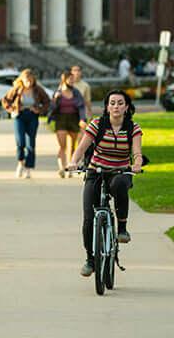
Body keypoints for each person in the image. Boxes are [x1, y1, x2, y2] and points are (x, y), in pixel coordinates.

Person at [68, 90, 143, 277]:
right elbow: (82, 148)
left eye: (120, 103)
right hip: (96, 171)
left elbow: (136, 151)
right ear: (107, 107)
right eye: (112, 103)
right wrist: (73, 161)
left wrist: (137, 164)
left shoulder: (133, 128)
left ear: (126, 107)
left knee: (119, 185)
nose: (116, 106)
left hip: (121, 171)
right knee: (88, 218)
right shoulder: (97, 124)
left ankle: (122, 229)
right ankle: (90, 259)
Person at [1, 68, 50, 179]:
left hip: (32, 116)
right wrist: (12, 109)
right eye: (26, 79)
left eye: (30, 79)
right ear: (22, 80)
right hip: (20, 116)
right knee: (20, 142)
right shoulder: (17, 89)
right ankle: (20, 164)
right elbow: (5, 100)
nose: (28, 81)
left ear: (33, 79)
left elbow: (47, 101)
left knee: (30, 144)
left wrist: (39, 110)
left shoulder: (37, 90)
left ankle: (28, 168)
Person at [47, 70, 87, 177]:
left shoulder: (76, 92)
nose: (72, 81)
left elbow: (82, 107)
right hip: (61, 120)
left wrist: (83, 119)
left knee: (73, 145)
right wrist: (55, 99)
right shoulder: (58, 92)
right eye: (70, 79)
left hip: (73, 119)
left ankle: (70, 166)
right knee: (62, 145)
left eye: (73, 80)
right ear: (64, 80)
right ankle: (61, 167)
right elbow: (51, 108)